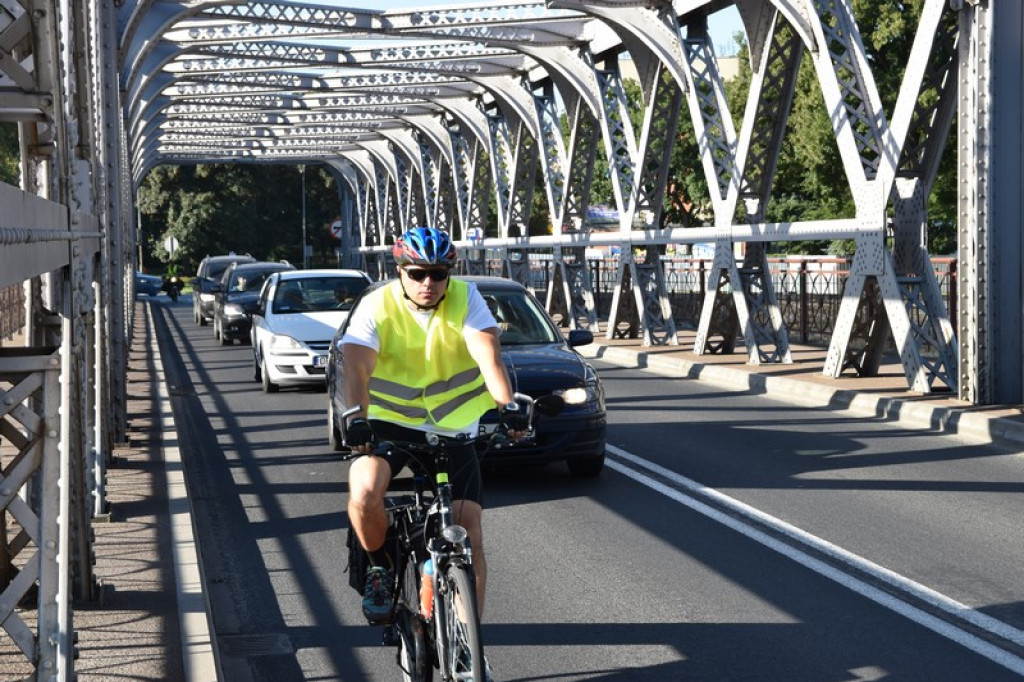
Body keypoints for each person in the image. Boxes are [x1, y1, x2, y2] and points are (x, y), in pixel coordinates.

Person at [341, 228, 525, 648]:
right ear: (400, 271)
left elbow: (487, 354)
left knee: (468, 530)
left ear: (449, 272)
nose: (429, 283)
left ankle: (468, 641)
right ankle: (378, 568)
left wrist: (506, 403)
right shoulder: (377, 304)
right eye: (419, 273)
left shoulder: (466, 298)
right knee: (365, 490)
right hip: (389, 423)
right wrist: (355, 417)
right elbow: (357, 367)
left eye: (439, 273)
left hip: (454, 426)